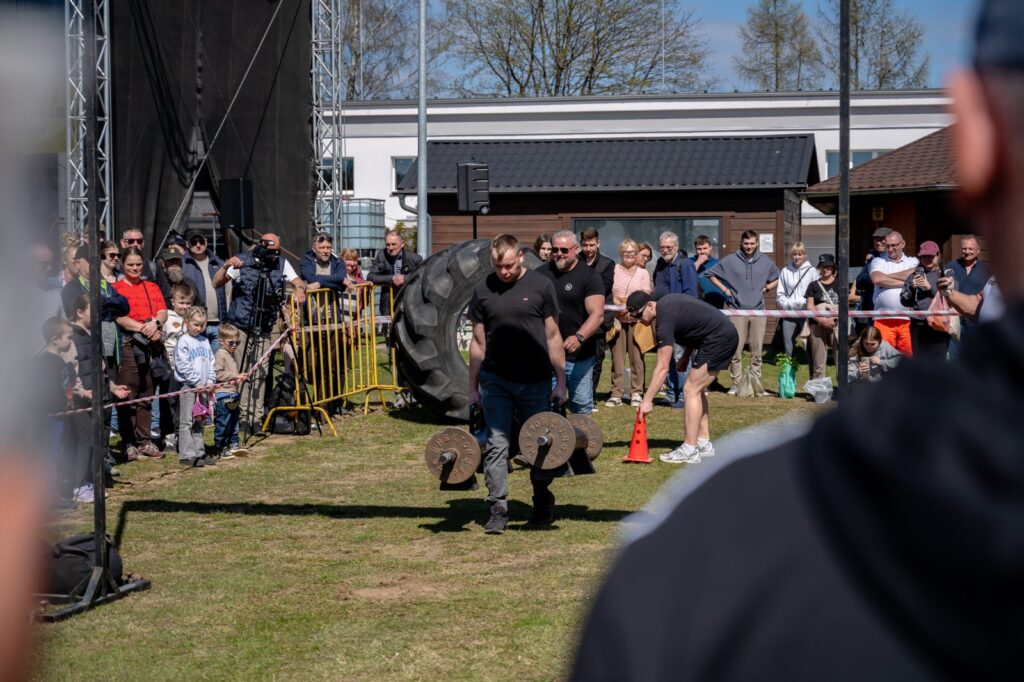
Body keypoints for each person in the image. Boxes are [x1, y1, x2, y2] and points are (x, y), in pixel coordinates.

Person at [571, 3, 1024, 676]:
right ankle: (694, 439)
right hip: (719, 336)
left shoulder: (716, 548)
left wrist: (645, 405)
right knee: (694, 384)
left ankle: (696, 444)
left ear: (975, 138)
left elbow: (671, 357)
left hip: (720, 342)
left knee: (693, 384)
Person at [468, 234, 566, 534]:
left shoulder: (541, 286)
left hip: (535, 380)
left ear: (521, 257)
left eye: (509, 265)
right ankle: (498, 508)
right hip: (496, 379)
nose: (504, 272)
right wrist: (472, 388)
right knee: (497, 444)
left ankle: (541, 497)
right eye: (499, 266)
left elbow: (552, 336)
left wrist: (561, 381)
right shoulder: (483, 289)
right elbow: (477, 342)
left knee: (539, 444)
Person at [213, 232, 306, 439]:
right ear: (261, 246)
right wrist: (227, 264)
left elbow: (298, 281)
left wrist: (300, 289)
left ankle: (256, 419)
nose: (274, 255)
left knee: (261, 373)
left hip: (264, 326)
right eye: (270, 251)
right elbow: (216, 282)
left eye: (277, 251)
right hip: (241, 326)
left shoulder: (281, 263)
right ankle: (243, 418)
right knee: (245, 372)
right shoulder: (242, 262)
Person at [629, 291, 739, 464]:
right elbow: (694, 327)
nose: (639, 320)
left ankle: (689, 449)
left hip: (719, 338)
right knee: (697, 389)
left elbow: (662, 368)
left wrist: (647, 400)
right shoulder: (668, 304)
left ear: (650, 305)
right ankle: (703, 443)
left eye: (639, 314)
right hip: (721, 334)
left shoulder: (663, 321)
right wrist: (686, 356)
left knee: (690, 389)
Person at [67, 294, 129, 502]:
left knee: (100, 440)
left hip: (101, 395)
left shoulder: (94, 333)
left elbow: (101, 367)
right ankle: (79, 485)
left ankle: (93, 481)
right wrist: (81, 393)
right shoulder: (71, 336)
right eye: (92, 310)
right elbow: (71, 371)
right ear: (79, 311)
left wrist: (112, 387)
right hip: (82, 399)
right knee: (86, 441)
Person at [536, 230, 604, 416]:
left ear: (576, 249)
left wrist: (579, 336)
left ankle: (583, 444)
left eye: (564, 250)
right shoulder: (540, 275)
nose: (559, 253)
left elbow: (597, 315)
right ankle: (553, 445)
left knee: (581, 406)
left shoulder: (589, 276)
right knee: (548, 406)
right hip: (547, 354)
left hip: (579, 355)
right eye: (555, 249)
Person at [707, 229, 780, 396]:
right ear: (741, 243)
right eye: (746, 243)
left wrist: (767, 287)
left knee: (757, 349)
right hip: (736, 309)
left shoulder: (765, 260)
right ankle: (736, 383)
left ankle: (756, 381)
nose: (749, 246)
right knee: (736, 349)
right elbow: (710, 274)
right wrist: (724, 289)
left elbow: (778, 277)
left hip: (758, 311)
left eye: (752, 243)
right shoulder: (731, 260)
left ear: (757, 243)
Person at [112, 247, 168, 460]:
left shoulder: (151, 286)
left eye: (138, 264)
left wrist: (154, 324)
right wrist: (143, 328)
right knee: (128, 392)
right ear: (122, 265)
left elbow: (162, 311)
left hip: (150, 345)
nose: (134, 268)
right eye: (130, 265)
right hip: (127, 344)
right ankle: (128, 441)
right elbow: (118, 317)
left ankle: (145, 441)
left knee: (147, 392)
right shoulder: (116, 288)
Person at [652, 232, 699, 406]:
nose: (665, 250)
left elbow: (691, 295)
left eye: (668, 247)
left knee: (681, 357)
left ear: (676, 247)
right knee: (668, 357)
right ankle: (672, 394)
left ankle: (684, 396)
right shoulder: (659, 264)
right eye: (662, 247)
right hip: (664, 317)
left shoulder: (685, 264)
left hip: (681, 320)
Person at [35, 317, 76, 506]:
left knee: (57, 453)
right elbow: (46, 391)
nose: (71, 341)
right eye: (69, 337)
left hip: (61, 415)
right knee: (49, 455)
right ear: (55, 339)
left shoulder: (61, 362)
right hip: (50, 417)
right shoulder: (46, 364)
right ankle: (48, 496)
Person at [607, 239, 652, 408]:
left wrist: (631, 308)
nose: (629, 255)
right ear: (621, 253)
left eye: (632, 252)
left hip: (636, 319)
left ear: (637, 254)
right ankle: (616, 393)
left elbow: (645, 292)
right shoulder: (614, 270)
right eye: (626, 252)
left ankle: (636, 393)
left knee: (637, 358)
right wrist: (618, 304)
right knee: (617, 359)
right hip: (618, 319)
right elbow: (610, 289)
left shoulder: (643, 273)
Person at [174, 306, 216, 467]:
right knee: (187, 421)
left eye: (202, 325)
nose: (198, 328)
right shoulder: (183, 341)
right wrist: (196, 382)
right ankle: (187, 454)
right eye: (195, 324)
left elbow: (211, 363)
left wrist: (210, 381)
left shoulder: (204, 341)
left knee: (200, 420)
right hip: (189, 387)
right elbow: (183, 365)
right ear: (187, 322)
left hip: (204, 388)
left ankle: (200, 452)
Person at [579, 227, 615, 399]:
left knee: (597, 358)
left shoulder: (607, 264)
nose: (588, 249)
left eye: (591, 245)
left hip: (599, 319)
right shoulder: (575, 261)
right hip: (577, 318)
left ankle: (590, 396)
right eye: (585, 245)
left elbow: (604, 287)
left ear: (598, 243)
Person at [869, 229, 918, 355]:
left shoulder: (913, 261)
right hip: (882, 318)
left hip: (907, 319)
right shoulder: (877, 261)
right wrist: (907, 283)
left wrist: (887, 277)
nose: (890, 249)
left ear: (903, 244)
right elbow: (877, 279)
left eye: (894, 245)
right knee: (883, 356)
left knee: (907, 358)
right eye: (887, 246)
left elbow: (915, 275)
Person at [899, 241, 950, 358]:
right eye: (923, 256)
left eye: (930, 256)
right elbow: (904, 301)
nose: (926, 259)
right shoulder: (913, 276)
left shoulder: (945, 273)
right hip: (918, 324)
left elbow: (950, 298)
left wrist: (930, 288)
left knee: (938, 362)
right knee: (920, 362)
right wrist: (912, 288)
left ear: (938, 255)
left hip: (939, 325)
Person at [181, 230, 228, 352]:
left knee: (216, 364)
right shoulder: (183, 264)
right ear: (187, 244)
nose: (198, 245)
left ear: (206, 242)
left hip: (218, 322)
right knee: (197, 362)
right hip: (195, 323)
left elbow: (228, 292)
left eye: (201, 241)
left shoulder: (219, 263)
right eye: (193, 242)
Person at [946, 234, 990, 352]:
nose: (967, 251)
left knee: (976, 357)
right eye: (964, 248)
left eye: (971, 248)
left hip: (976, 323)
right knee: (954, 357)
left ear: (978, 251)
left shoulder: (987, 270)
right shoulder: (951, 266)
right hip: (955, 322)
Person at [776, 242, 818, 360]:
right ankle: (789, 373)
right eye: (795, 254)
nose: (797, 257)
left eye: (800, 254)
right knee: (788, 346)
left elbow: (816, 292)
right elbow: (780, 293)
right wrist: (786, 304)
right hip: (789, 312)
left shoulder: (812, 271)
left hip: (806, 313)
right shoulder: (785, 271)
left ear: (804, 255)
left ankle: (813, 372)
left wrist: (807, 305)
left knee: (809, 345)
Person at [367, 229, 422, 319]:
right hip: (387, 305)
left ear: (402, 243)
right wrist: (392, 278)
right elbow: (371, 277)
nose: (390, 248)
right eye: (387, 245)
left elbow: (423, 275)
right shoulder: (381, 255)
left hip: (409, 303)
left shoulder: (414, 258)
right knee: (388, 331)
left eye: (393, 244)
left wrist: (405, 278)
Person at [806, 254, 840, 382]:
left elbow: (845, 305)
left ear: (833, 268)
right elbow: (810, 307)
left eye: (828, 266)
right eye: (822, 267)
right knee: (818, 361)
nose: (825, 269)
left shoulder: (840, 283)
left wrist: (834, 319)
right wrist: (821, 320)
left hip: (836, 324)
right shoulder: (813, 285)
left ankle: (843, 390)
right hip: (817, 324)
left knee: (840, 359)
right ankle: (818, 390)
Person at [213, 322, 245, 459]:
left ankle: (233, 443)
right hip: (223, 395)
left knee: (234, 421)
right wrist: (235, 376)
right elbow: (218, 374)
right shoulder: (220, 354)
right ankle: (221, 447)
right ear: (221, 341)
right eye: (231, 342)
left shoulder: (229, 354)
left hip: (233, 394)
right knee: (223, 422)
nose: (234, 345)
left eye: (237, 343)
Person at [853, 226, 891, 335]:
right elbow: (859, 281)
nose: (878, 242)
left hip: (889, 308)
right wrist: (874, 278)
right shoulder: (871, 258)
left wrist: (877, 278)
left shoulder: (899, 259)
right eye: (876, 240)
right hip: (870, 305)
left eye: (881, 239)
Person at [116, 227, 171, 303]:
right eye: (131, 241)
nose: (135, 244)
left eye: (139, 241)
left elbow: (165, 297)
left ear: (143, 243)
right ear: (123, 243)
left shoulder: (153, 268)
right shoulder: (115, 268)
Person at [690, 235, 724, 308]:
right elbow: (688, 276)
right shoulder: (690, 262)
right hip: (697, 303)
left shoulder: (718, 263)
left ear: (710, 247)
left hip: (716, 301)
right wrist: (698, 262)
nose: (702, 252)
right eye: (699, 249)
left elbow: (725, 282)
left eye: (705, 248)